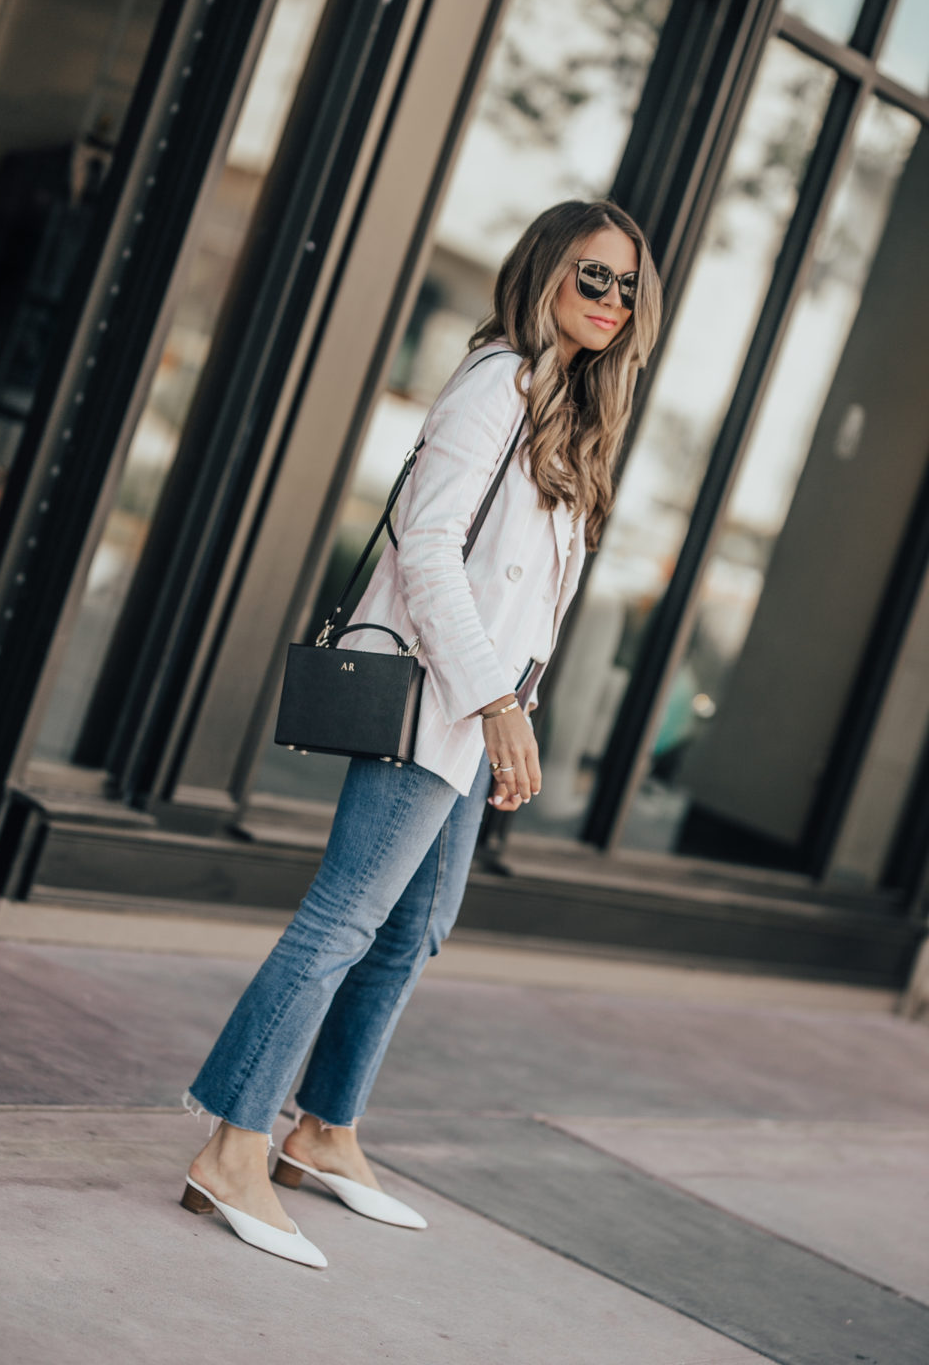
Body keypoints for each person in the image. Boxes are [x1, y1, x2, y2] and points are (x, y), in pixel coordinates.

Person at [179, 198, 662, 1267]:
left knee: (412, 929)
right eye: (594, 277)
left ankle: (325, 1130)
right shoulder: (498, 382)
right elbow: (429, 546)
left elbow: (524, 593)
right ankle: (233, 1142)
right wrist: (492, 703)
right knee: (344, 920)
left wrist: (515, 712)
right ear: (543, 273)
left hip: (482, 712)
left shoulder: (565, 407)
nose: (612, 303)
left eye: (628, 288)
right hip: (436, 703)